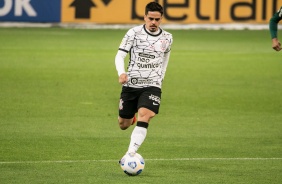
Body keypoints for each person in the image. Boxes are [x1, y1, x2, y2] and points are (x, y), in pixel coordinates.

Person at [115, 2, 173, 156]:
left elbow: (165, 59)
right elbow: (120, 55)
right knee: (123, 124)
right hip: (131, 83)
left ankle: (131, 153)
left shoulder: (167, 38)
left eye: (157, 19)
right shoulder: (133, 33)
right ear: (145, 17)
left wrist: (161, 79)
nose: (153, 22)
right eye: (151, 18)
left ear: (161, 19)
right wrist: (121, 73)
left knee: (145, 115)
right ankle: (130, 117)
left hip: (152, 84)